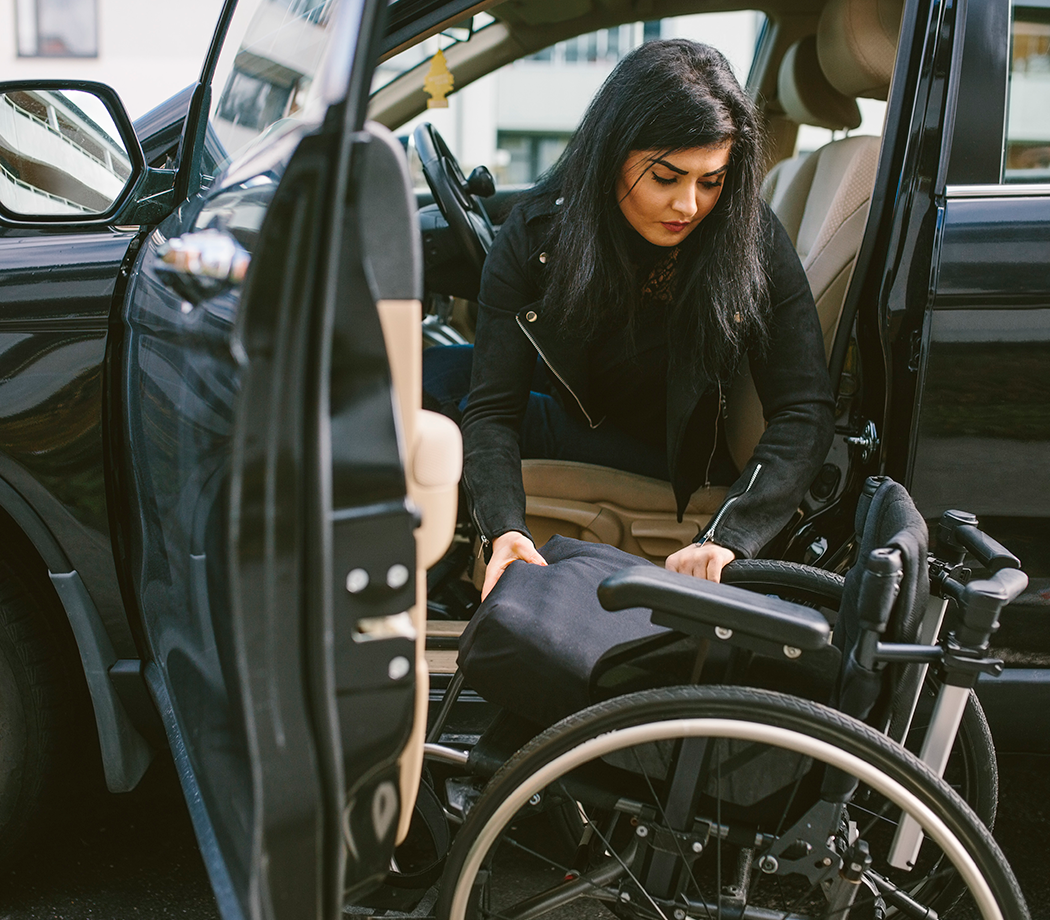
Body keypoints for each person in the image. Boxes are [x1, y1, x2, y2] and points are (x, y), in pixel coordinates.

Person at [424, 39, 835, 599]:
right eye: (666, 177)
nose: (689, 205)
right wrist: (506, 530)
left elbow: (804, 409)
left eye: (710, 181)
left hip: (674, 457)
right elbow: (496, 406)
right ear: (611, 155)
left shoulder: (750, 238)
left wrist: (731, 533)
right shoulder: (536, 236)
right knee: (428, 371)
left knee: (427, 393)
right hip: (583, 408)